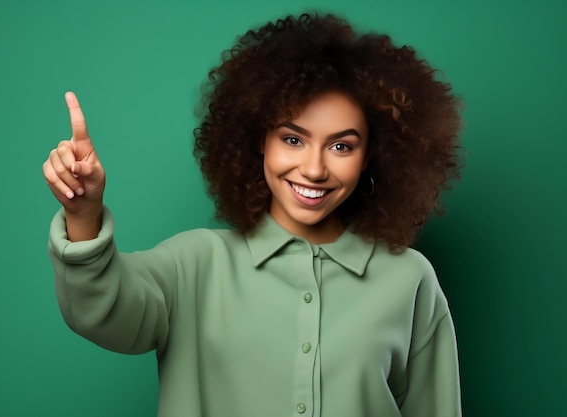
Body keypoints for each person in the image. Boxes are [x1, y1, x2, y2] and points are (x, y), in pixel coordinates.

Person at [43, 13, 463, 417]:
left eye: (341, 146)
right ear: (259, 139)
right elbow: (103, 313)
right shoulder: (195, 264)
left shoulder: (409, 280)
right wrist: (83, 211)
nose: (314, 169)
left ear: (371, 155)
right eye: (293, 139)